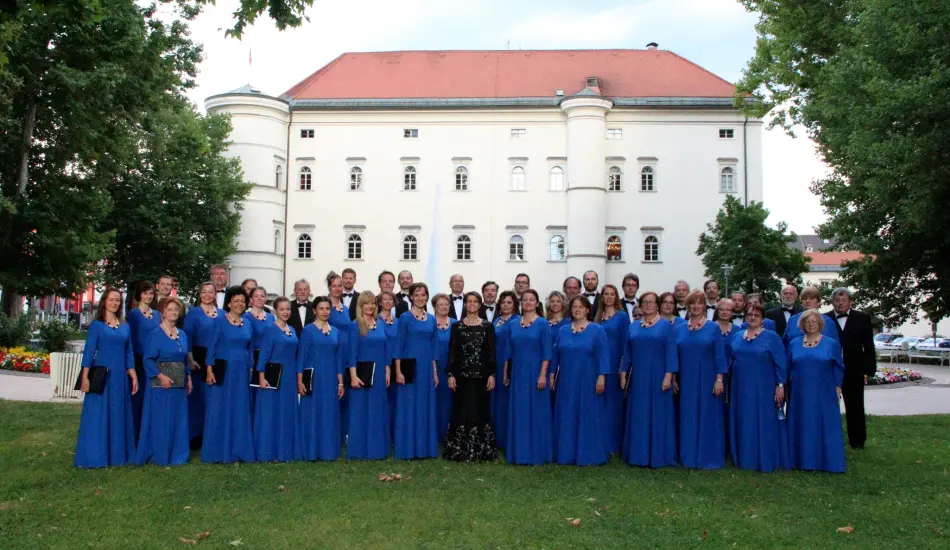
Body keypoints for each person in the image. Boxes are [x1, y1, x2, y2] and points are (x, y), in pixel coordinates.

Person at [75, 288, 138, 468]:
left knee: (118, 412)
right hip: (102, 375)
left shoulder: (125, 325)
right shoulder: (97, 325)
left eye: (118, 300)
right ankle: (95, 455)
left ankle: (118, 456)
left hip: (120, 376)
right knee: (98, 414)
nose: (114, 303)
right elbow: (89, 351)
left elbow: (129, 351)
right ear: (104, 301)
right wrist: (85, 376)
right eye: (111, 299)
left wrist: (132, 372)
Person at [620, 291, 676, 468]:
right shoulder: (633, 327)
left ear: (657, 304)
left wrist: (669, 375)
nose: (648, 305)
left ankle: (659, 455)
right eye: (644, 302)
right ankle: (638, 455)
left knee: (658, 414)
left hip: (659, 376)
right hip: (639, 378)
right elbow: (627, 353)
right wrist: (623, 373)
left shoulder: (666, 326)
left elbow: (671, 353)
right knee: (639, 414)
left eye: (651, 302)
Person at [729, 303, 789, 472]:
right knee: (744, 420)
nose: (752, 317)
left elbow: (781, 363)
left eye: (756, 315)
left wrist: (780, 385)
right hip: (740, 387)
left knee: (763, 420)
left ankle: (765, 458)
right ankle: (744, 457)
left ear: (763, 318)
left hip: (763, 386)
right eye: (749, 314)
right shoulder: (737, 336)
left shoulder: (772, 337)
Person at [551, 296, 610, 466]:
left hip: (588, 379)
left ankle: (589, 453)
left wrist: (601, 376)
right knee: (567, 414)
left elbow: (603, 355)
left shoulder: (597, 330)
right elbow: (556, 355)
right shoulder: (563, 330)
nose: (577, 310)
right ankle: (566, 453)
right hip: (567, 380)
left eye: (581, 307)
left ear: (587, 310)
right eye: (574, 307)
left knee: (587, 414)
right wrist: (552, 374)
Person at [135, 296, 192, 466]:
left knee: (178, 418)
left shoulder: (182, 334)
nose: (173, 312)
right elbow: (147, 359)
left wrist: (189, 378)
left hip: (179, 382)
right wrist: (160, 376)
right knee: (161, 417)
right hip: (162, 383)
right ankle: (158, 453)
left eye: (176, 309)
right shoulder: (155, 334)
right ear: (163, 312)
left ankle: (177, 453)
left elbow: (184, 359)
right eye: (170, 309)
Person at [787, 310, 846, 472]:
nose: (811, 324)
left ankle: (829, 462)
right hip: (800, 391)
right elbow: (788, 366)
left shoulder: (831, 343)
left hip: (824, 390)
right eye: (807, 322)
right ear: (802, 325)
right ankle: (801, 460)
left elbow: (839, 367)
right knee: (803, 422)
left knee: (824, 423)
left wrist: (837, 386)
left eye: (814, 321)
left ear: (820, 323)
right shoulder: (794, 343)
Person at [675, 291, 728, 469]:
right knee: (688, 415)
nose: (696, 306)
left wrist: (719, 379)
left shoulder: (713, 328)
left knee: (708, 415)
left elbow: (720, 356)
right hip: (687, 379)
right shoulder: (680, 329)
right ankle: (688, 456)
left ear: (704, 306)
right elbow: (674, 356)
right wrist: (674, 376)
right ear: (688, 306)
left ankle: (708, 456)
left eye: (699, 303)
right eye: (692, 303)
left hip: (708, 379)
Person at [202, 286, 255, 464]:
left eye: (242, 301)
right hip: (223, 370)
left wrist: (251, 368)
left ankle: (239, 450)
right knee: (221, 407)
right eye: (236, 301)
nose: (239, 304)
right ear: (229, 303)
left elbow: (250, 348)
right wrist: (209, 369)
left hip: (241, 371)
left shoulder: (247, 323)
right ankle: (219, 450)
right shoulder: (220, 321)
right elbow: (212, 346)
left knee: (240, 408)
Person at [444, 292, 498, 462]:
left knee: (480, 411)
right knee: (461, 411)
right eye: (469, 301)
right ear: (465, 304)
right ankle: (459, 450)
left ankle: (481, 451)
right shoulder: (457, 326)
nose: (472, 304)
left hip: (482, 376)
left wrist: (492, 374)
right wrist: (451, 374)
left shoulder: (488, 326)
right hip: (461, 376)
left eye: (475, 301)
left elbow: (491, 353)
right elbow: (452, 352)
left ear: (480, 305)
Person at [505, 289, 553, 465]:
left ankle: (537, 453)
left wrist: (542, 375)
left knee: (536, 411)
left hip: (536, 373)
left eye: (531, 299)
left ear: (537, 303)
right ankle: (519, 452)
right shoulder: (513, 324)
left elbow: (547, 353)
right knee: (519, 411)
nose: (528, 302)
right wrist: (506, 373)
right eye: (525, 299)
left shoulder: (543, 324)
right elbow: (508, 352)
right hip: (518, 373)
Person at [295, 297, 345, 462]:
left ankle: (328, 451)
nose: (324, 311)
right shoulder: (308, 330)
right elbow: (301, 357)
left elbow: (339, 359)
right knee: (313, 411)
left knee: (329, 412)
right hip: (314, 377)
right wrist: (300, 381)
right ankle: (311, 450)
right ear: (314, 310)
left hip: (330, 377)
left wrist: (340, 382)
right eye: (321, 308)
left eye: (327, 308)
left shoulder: (336, 332)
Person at [826, 287, 876, 449]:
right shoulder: (824, 319)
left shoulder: (862, 318)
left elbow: (868, 345)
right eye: (837, 300)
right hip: (830, 369)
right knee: (828, 406)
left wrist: (869, 369)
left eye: (843, 300)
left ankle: (858, 441)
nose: (840, 303)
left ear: (850, 302)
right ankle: (829, 439)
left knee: (855, 405)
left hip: (854, 369)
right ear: (832, 302)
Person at [394, 283, 439, 459]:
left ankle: (424, 448)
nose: (420, 298)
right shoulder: (405, 318)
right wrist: (398, 371)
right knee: (410, 405)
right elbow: (398, 345)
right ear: (411, 297)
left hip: (427, 367)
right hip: (409, 367)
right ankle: (408, 447)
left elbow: (434, 347)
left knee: (425, 405)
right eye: (417, 295)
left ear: (427, 297)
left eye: (423, 295)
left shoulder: (431, 319)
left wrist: (435, 372)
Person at [252, 297, 299, 462]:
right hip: (273, 377)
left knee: (286, 412)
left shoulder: (292, 330)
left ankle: (285, 450)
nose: (286, 312)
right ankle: (268, 451)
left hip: (289, 377)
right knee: (271, 413)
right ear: (275, 311)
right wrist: (262, 378)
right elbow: (263, 355)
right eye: (282, 309)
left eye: (288, 309)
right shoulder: (270, 330)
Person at [348, 291, 393, 460]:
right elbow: (351, 353)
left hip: (380, 372)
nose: (370, 306)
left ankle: (377, 449)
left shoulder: (380, 323)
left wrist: (387, 370)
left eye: (373, 303)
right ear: (361, 305)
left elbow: (386, 349)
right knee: (361, 410)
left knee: (377, 408)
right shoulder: (355, 325)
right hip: (362, 373)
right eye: (367, 303)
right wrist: (353, 376)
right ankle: (359, 450)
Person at [183, 282, 220, 446]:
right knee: (198, 397)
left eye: (210, 292)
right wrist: (190, 359)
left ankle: (212, 433)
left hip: (217, 359)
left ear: (215, 294)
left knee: (214, 396)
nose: (207, 295)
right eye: (204, 292)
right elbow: (187, 337)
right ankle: (195, 435)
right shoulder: (194, 313)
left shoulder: (223, 314)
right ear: (200, 294)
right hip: (198, 358)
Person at [595, 283, 630, 454]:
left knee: (614, 404)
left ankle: (613, 443)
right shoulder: (598, 316)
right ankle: (599, 439)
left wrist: (623, 368)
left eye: (612, 294)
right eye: (605, 294)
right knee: (599, 402)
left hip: (615, 362)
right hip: (598, 364)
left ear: (616, 297)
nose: (608, 297)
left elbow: (626, 343)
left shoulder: (622, 316)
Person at [127, 281, 159, 440]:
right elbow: (130, 340)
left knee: (153, 397)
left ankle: (150, 434)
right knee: (138, 397)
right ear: (139, 294)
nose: (148, 296)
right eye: (145, 293)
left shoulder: (158, 315)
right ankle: (135, 434)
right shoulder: (133, 315)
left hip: (154, 361)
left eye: (151, 293)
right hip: (139, 361)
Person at [492, 291, 520, 449]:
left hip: (509, 363)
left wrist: (507, 369)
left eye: (509, 302)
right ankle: (498, 437)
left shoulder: (518, 321)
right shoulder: (497, 321)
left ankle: (508, 438)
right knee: (497, 400)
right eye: (503, 302)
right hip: (496, 362)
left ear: (515, 305)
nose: (506, 305)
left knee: (507, 401)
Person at [244, 287, 275, 416]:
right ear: (250, 299)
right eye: (256, 296)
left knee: (266, 395)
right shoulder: (245, 317)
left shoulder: (271, 317)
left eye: (262, 296)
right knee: (252, 395)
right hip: (253, 358)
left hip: (268, 359)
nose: (259, 298)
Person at [432, 293, 457, 443]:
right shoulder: (428, 322)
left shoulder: (456, 323)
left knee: (449, 401)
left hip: (451, 368)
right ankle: (434, 434)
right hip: (434, 366)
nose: (444, 307)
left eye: (446, 304)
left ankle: (449, 435)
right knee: (434, 400)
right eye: (440, 304)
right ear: (434, 306)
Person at [378, 290, 400, 435]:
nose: (387, 302)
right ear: (379, 302)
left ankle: (393, 432)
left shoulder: (398, 321)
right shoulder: (375, 320)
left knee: (394, 398)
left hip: (396, 363)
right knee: (382, 399)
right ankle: (381, 431)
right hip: (380, 363)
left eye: (390, 299)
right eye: (384, 299)